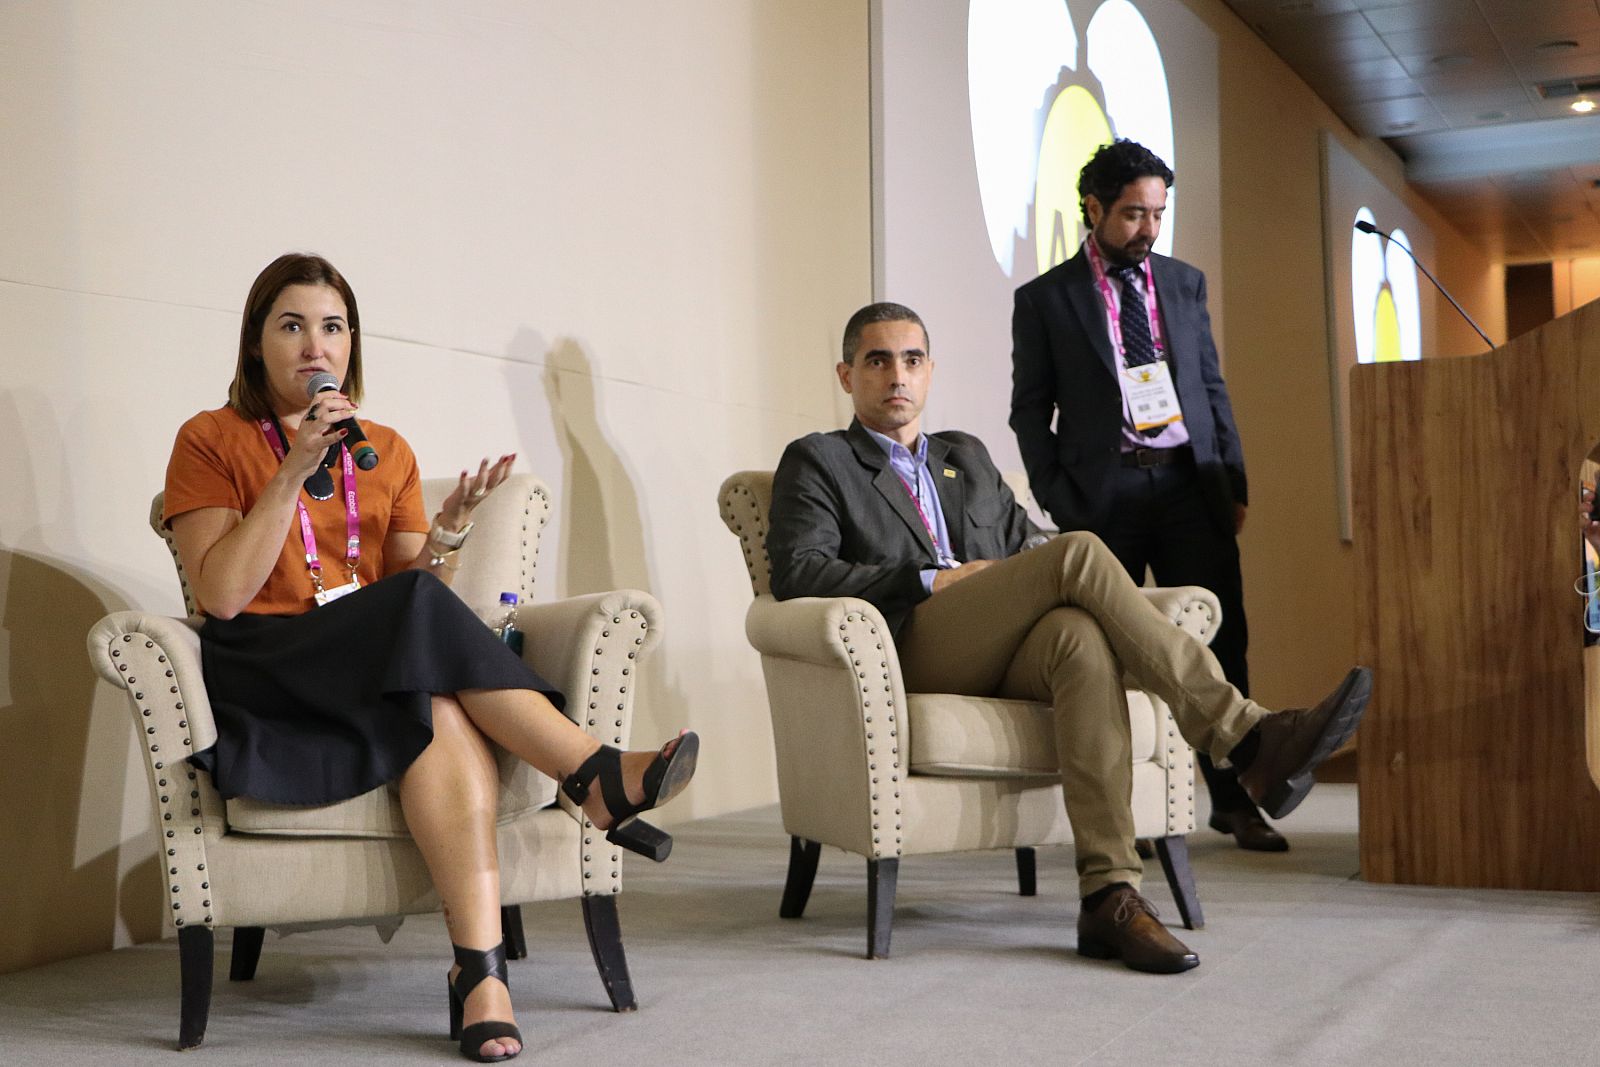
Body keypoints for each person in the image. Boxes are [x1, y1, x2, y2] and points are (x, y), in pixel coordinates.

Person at [163, 253, 698, 1063]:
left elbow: (411, 599)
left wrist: (445, 537)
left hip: (358, 669)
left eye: (332, 327)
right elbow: (222, 595)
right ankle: (589, 769)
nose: (315, 345)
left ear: (352, 345)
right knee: (416, 620)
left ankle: (481, 978)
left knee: (440, 703)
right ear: (255, 342)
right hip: (266, 669)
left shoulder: (384, 449)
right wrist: (292, 469)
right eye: (292, 325)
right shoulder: (208, 438)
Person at [767, 302, 1369, 974]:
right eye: (877, 360)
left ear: (930, 371)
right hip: (910, 644)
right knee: (1077, 551)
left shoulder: (965, 456)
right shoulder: (819, 459)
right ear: (847, 375)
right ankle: (1245, 735)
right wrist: (933, 577)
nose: (897, 375)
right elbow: (799, 571)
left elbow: (1028, 545)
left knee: (1077, 637)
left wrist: (1039, 575)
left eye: (911, 360)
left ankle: (1110, 895)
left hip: (998, 643)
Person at [1009, 139, 1282, 853]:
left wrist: (1231, 480)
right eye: (1134, 214)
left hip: (1190, 486)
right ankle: (1127, 814)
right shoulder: (1045, 299)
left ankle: (1235, 800)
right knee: (1110, 655)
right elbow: (1029, 410)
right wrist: (1061, 498)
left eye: (1159, 213)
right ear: (1094, 208)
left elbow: (1210, 385)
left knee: (1221, 641)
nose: (1149, 229)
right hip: (1106, 497)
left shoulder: (1184, 283)